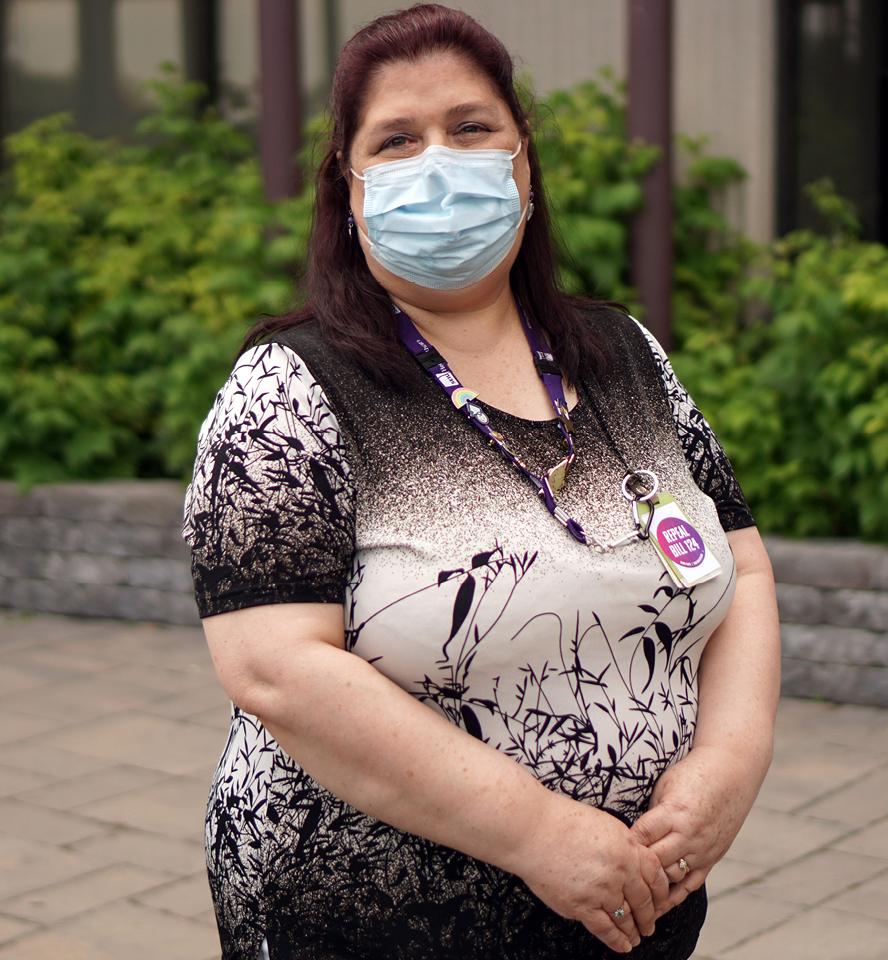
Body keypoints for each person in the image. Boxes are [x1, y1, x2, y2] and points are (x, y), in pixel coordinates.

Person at [179, 6, 778, 958]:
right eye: (397, 140)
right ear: (350, 188)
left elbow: (741, 568)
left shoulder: (624, 356)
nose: (438, 163)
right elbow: (274, 668)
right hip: (369, 919)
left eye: (470, 129)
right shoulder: (291, 387)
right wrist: (543, 835)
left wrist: (726, 770)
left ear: (523, 164)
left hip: (635, 910)